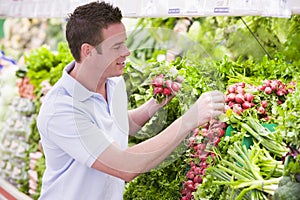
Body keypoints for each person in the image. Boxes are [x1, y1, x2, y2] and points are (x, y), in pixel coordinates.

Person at [36, 1, 225, 199]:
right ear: (88, 51)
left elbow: (118, 125)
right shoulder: (61, 109)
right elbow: (125, 167)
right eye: (116, 46)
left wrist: (154, 104)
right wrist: (189, 119)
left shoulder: (113, 82)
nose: (126, 52)